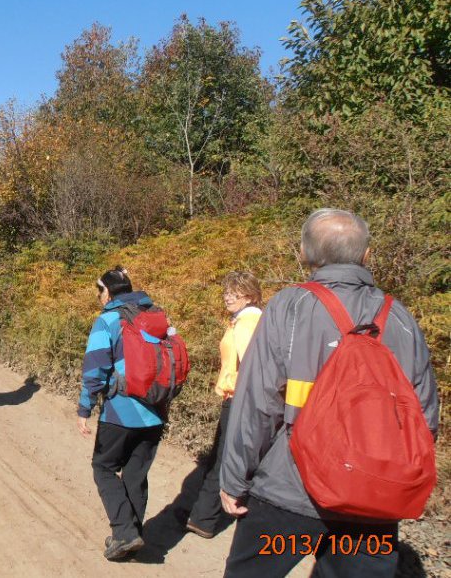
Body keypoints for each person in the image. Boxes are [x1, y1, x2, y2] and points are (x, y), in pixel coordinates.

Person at [219, 208, 439, 577]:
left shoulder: (290, 306)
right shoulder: (400, 318)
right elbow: (424, 420)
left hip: (288, 494)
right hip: (370, 506)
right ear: (367, 255)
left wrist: (234, 479)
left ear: (305, 254)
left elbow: (257, 403)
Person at [76, 267, 167, 562]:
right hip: (155, 411)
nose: (98, 297)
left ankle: (125, 532)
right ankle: (130, 536)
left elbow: (94, 370)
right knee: (135, 474)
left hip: (121, 411)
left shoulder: (108, 320)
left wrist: (84, 408)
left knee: (103, 467)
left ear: (109, 292)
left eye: (99, 291)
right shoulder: (156, 315)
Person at [184, 271, 262, 539]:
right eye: (226, 291)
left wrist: (245, 401)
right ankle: (201, 513)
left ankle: (203, 518)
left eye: (234, 292)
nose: (227, 296)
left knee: (224, 459)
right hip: (238, 397)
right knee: (222, 456)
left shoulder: (248, 323)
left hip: (241, 399)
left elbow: (253, 366)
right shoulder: (243, 320)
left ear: (249, 295)